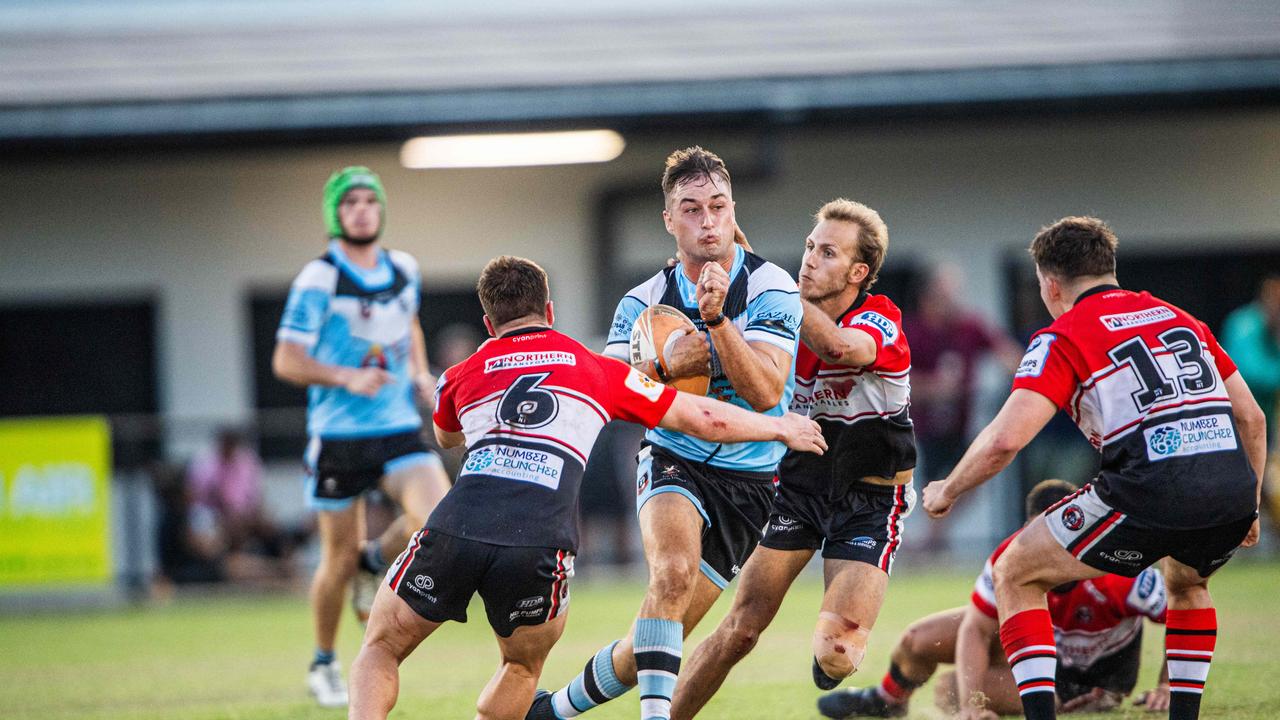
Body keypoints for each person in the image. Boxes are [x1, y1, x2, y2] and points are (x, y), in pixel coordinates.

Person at [346, 255, 827, 720]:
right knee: (519, 667)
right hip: (540, 542)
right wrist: (780, 427)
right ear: (550, 312)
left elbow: (448, 435)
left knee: (383, 647)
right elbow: (700, 416)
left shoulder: (460, 373)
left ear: (489, 324)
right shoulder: (596, 369)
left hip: (459, 526)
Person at [922, 216, 1265, 720]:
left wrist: (947, 491)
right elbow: (1251, 418)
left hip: (1151, 484)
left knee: (1014, 571)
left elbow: (1004, 440)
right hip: (1231, 486)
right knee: (1188, 586)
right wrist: (1249, 504)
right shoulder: (1181, 318)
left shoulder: (1065, 334)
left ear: (1051, 283)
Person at [528, 146, 803, 720]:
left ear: (733, 210)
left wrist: (717, 324)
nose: (707, 221)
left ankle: (551, 712)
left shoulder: (772, 285)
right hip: (673, 461)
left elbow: (766, 392)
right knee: (672, 574)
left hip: (750, 483)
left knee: (654, 634)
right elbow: (619, 395)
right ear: (669, 220)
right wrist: (664, 364)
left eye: (718, 207)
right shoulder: (642, 302)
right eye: (692, 209)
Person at [662, 198, 916, 719]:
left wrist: (773, 286)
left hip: (870, 498)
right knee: (740, 629)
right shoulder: (777, 319)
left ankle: (833, 661)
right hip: (798, 491)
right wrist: (716, 222)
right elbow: (739, 250)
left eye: (827, 253)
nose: (808, 260)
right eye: (808, 247)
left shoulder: (880, 320)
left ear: (858, 272)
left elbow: (841, 348)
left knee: (837, 654)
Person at [272, 166, 452, 707]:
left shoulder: (403, 269)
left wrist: (419, 372)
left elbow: (410, 323)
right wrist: (345, 375)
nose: (361, 210)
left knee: (440, 518)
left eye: (369, 201)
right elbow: (286, 359)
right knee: (337, 559)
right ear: (335, 214)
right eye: (349, 203)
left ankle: (379, 559)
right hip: (339, 436)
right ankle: (323, 662)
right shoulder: (319, 278)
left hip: (397, 427)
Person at [820, 479, 1171, 719]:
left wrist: (1167, 685)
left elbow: (1178, 610)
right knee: (917, 640)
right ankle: (889, 700)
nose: (1046, 544)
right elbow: (976, 627)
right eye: (1038, 531)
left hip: (1075, 678)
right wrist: (974, 705)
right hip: (1033, 643)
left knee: (949, 691)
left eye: (1057, 533)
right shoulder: (1013, 556)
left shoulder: (1115, 568)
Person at [905, 264, 1022, 550]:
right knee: (927, 487)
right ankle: (930, 542)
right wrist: (934, 388)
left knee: (974, 477)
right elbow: (895, 379)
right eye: (946, 294)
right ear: (928, 297)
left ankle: (933, 540)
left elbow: (1010, 356)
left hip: (961, 425)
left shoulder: (969, 326)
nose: (954, 301)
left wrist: (1022, 382)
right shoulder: (913, 331)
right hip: (922, 430)